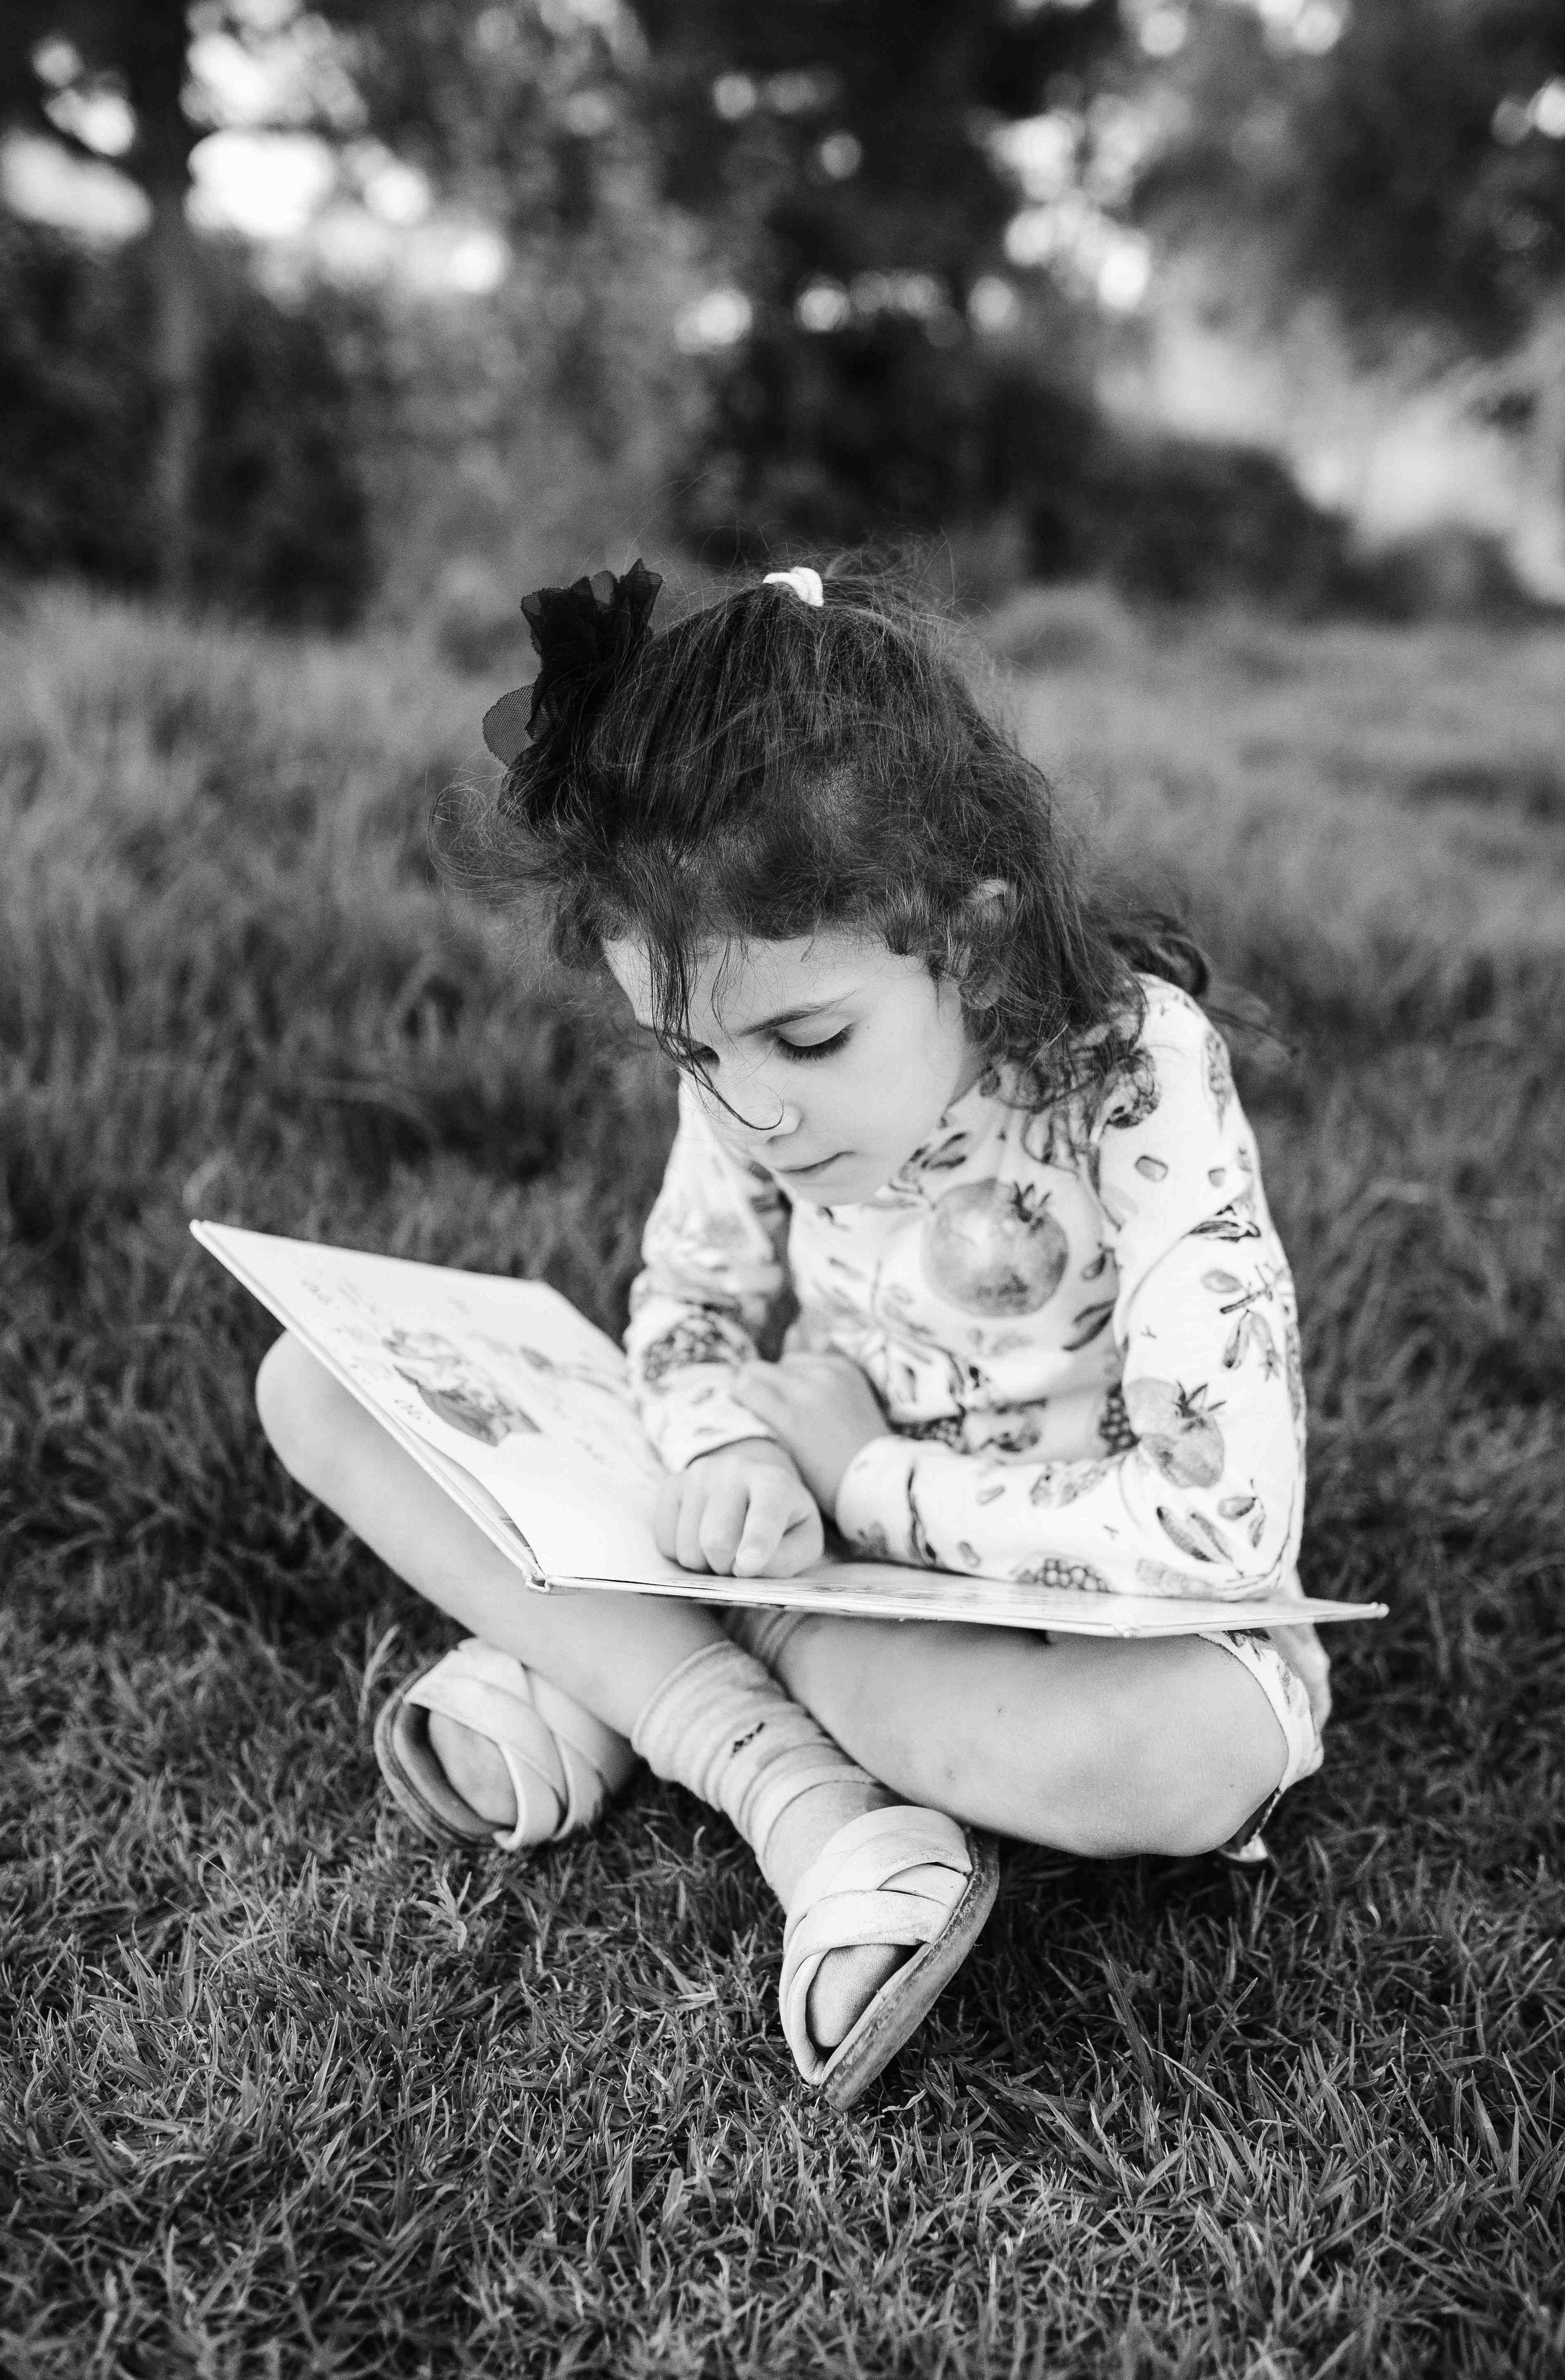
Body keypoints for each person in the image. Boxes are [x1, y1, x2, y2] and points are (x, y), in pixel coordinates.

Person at [255, 558, 1329, 2111]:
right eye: (690, 1053)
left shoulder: (1130, 1075)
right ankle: (793, 1788)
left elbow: (1220, 1525)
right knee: (318, 1380)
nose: (746, 1108)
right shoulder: (742, 1086)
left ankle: (652, 1672)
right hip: (801, 1529)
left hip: (1066, 1604)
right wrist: (729, 1443)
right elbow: (684, 1320)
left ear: (965, 938)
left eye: (806, 1039)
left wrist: (860, 1480)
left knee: (1183, 1759)